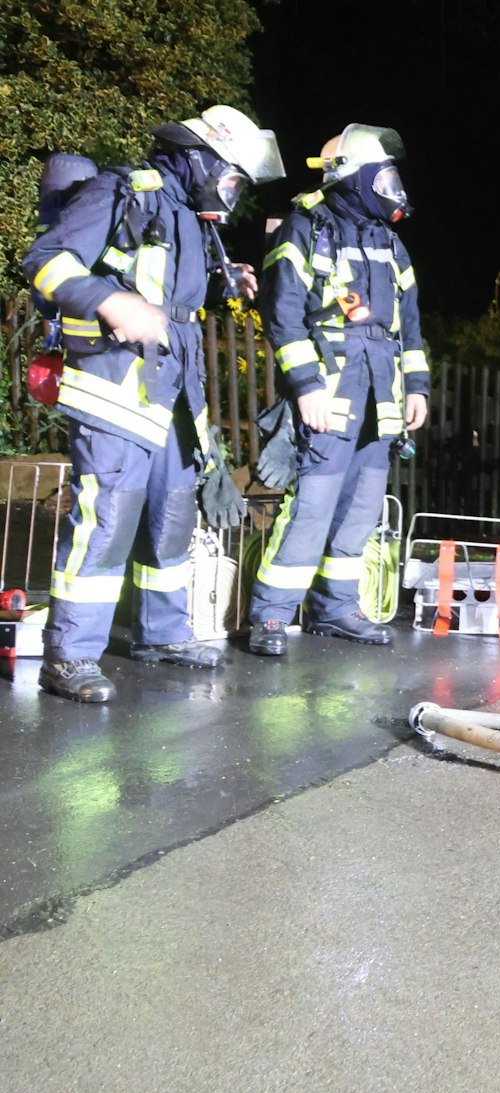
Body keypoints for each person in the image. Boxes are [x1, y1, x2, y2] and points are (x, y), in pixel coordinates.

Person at [23, 105, 284, 703]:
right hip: (116, 387)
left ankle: (160, 635)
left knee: (171, 515)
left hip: (172, 392)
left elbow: (172, 286)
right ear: (200, 159)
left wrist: (227, 280)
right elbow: (45, 261)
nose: (233, 191)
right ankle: (71, 655)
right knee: (107, 520)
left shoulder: (192, 217)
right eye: (233, 176)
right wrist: (109, 302)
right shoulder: (121, 191)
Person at [245, 124, 430, 657]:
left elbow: (411, 327)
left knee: (361, 509)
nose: (392, 185)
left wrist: (416, 387)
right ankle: (272, 616)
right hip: (331, 392)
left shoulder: (390, 243)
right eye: (383, 175)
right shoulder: (306, 228)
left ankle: (337, 609)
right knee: (312, 505)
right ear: (355, 177)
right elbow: (283, 316)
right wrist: (305, 387)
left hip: (383, 399)